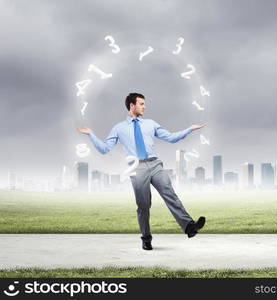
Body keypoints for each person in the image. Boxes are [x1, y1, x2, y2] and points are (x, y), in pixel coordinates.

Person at [76, 93, 206, 250]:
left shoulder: (150, 124)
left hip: (155, 164)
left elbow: (171, 138)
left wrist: (189, 129)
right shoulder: (119, 128)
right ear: (132, 105)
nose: (145, 107)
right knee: (143, 205)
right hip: (136, 168)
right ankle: (146, 238)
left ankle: (189, 227)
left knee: (169, 193)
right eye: (141, 104)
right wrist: (91, 134)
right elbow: (104, 149)